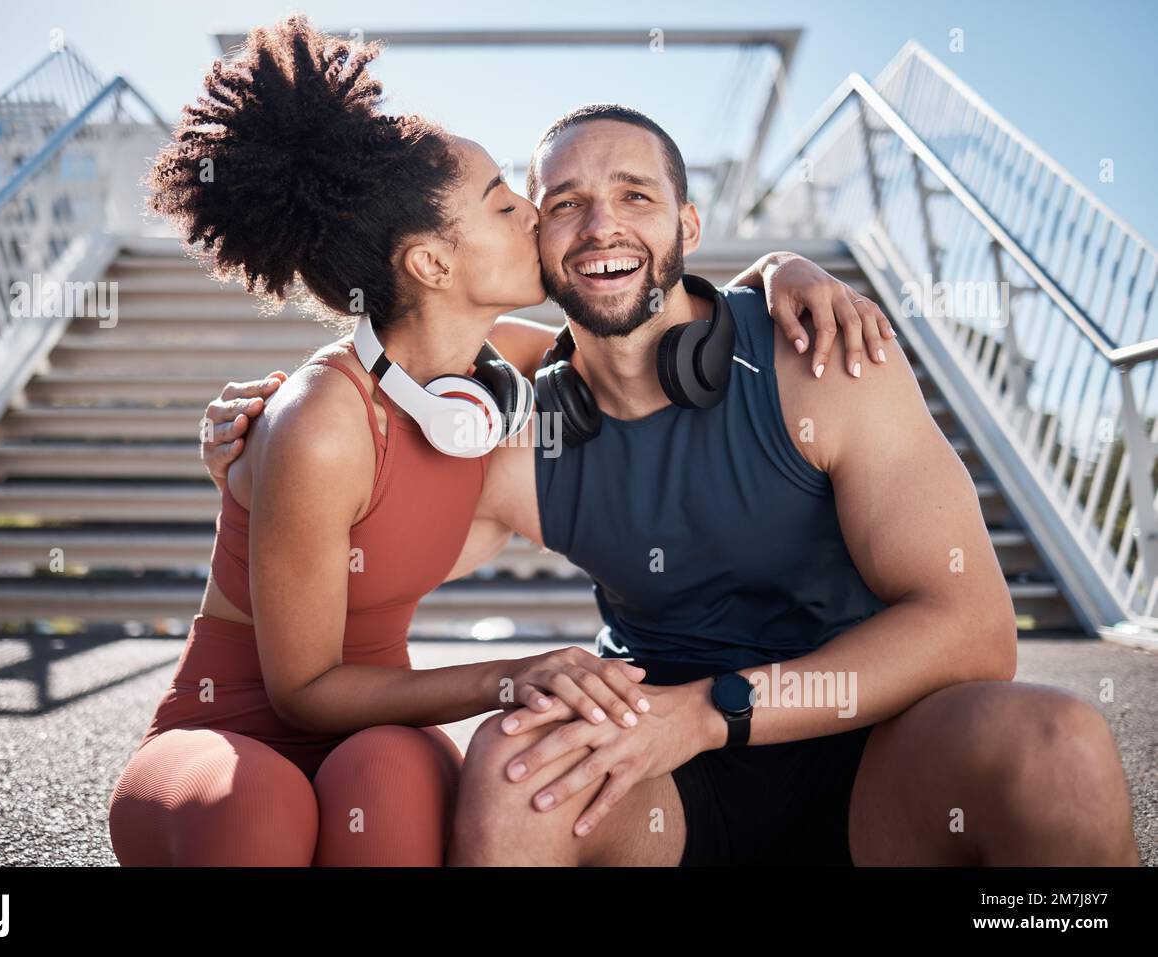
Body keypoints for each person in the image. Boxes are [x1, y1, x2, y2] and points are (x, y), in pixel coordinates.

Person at [209, 101, 1141, 866]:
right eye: (563, 202)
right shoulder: (511, 429)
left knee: (1059, 744)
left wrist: (707, 712)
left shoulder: (819, 355)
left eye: (635, 195)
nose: (601, 223)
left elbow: (975, 631)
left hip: (880, 758)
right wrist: (260, 451)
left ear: (687, 227)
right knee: (515, 762)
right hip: (659, 778)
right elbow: (372, 474)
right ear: (535, 239)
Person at [109, 15, 874, 867]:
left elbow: (657, 319)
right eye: (509, 207)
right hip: (237, 729)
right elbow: (301, 691)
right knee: (260, 816)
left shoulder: (498, 371)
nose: (537, 220)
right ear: (433, 265)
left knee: (390, 793)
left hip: (369, 723)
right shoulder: (324, 421)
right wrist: (512, 674)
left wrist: (780, 270)